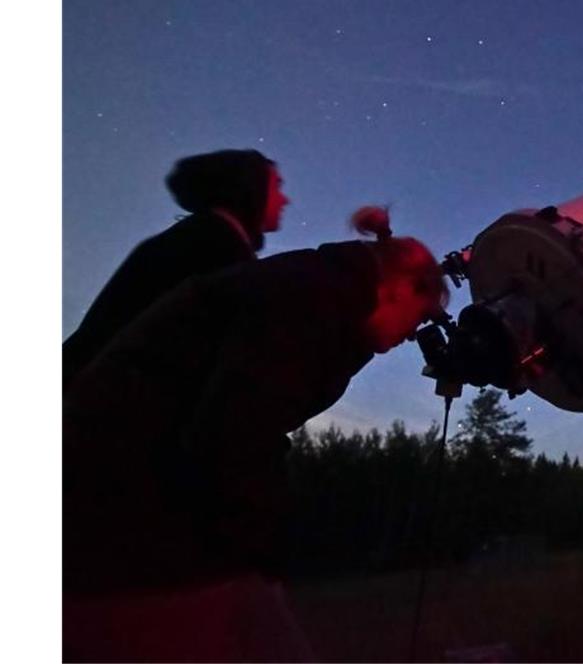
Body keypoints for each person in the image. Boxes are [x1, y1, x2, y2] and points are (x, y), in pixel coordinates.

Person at [62, 208, 441, 662]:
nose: (414, 333)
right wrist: (257, 555)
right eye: (419, 316)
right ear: (399, 285)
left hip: (122, 498)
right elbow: (236, 432)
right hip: (116, 511)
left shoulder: (321, 291)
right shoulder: (314, 300)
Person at [62, 148, 289, 387]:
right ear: (251, 188)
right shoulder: (216, 250)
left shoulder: (193, 238)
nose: (285, 199)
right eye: (277, 186)